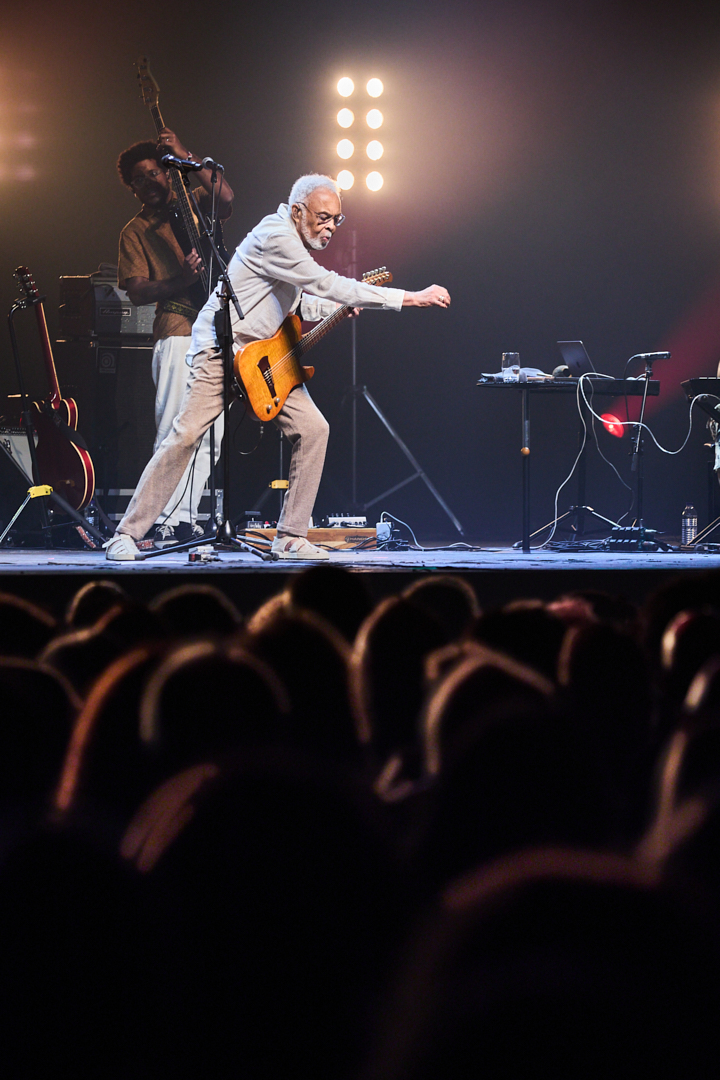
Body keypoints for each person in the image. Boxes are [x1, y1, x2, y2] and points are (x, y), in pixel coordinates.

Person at [105, 173, 450, 562]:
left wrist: (335, 309)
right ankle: (125, 534)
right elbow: (325, 283)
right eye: (323, 217)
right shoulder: (277, 235)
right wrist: (409, 297)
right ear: (299, 210)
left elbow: (297, 303)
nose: (331, 227)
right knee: (184, 436)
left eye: (337, 219)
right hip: (222, 348)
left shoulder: (295, 242)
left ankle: (289, 536)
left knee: (314, 429)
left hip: (263, 358)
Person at [116, 128, 234, 544]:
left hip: (219, 330)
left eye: (155, 173)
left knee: (210, 435)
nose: (150, 183)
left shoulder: (194, 202)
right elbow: (136, 289)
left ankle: (184, 517)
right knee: (172, 432)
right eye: (139, 180)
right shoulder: (135, 231)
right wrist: (179, 278)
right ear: (133, 189)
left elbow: (226, 198)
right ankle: (156, 519)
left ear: (168, 173)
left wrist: (184, 152)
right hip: (178, 328)